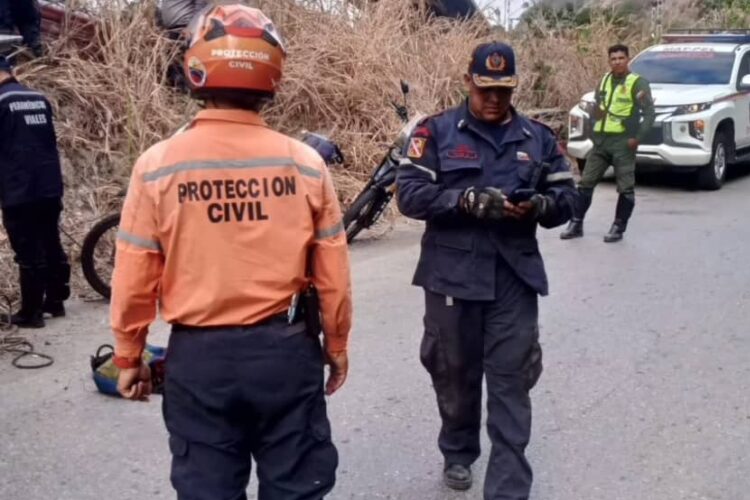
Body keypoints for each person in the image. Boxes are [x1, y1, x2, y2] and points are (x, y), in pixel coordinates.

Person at [109, 4, 352, 499]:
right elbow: (332, 276)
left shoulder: (156, 166)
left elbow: (134, 274)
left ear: (195, 67)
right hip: (285, 353)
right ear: (272, 73)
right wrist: (337, 346)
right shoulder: (305, 165)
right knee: (296, 485)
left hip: (199, 361)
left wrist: (129, 354)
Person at [396, 41, 577, 499]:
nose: (494, 99)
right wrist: (464, 200)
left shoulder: (536, 137)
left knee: (511, 382)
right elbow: (410, 195)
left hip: (513, 278)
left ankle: (508, 489)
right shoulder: (435, 133)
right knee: (453, 373)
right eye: (485, 89)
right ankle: (458, 451)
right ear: (468, 82)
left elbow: (568, 198)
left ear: (514, 86)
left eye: (503, 90)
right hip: (451, 277)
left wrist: (541, 205)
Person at [0, 55, 70, 328]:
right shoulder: (38, 98)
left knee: (28, 249)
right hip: (49, 183)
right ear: (11, 71)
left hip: (19, 187)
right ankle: (55, 300)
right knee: (50, 240)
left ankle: (31, 313)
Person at [560, 43, 655, 243]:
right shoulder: (604, 80)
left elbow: (649, 114)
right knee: (586, 183)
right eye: (613, 59)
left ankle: (618, 227)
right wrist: (594, 129)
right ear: (609, 61)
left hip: (623, 142)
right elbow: (598, 106)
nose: (617, 62)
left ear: (627, 59)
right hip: (601, 142)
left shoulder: (637, 83)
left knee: (625, 187)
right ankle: (576, 223)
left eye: (621, 58)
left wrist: (637, 138)